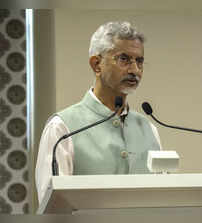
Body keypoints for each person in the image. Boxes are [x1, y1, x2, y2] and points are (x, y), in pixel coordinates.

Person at [35, 21, 162, 204]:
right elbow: (53, 208)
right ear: (96, 64)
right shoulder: (62, 128)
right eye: (124, 59)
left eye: (139, 61)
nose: (135, 70)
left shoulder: (149, 129)